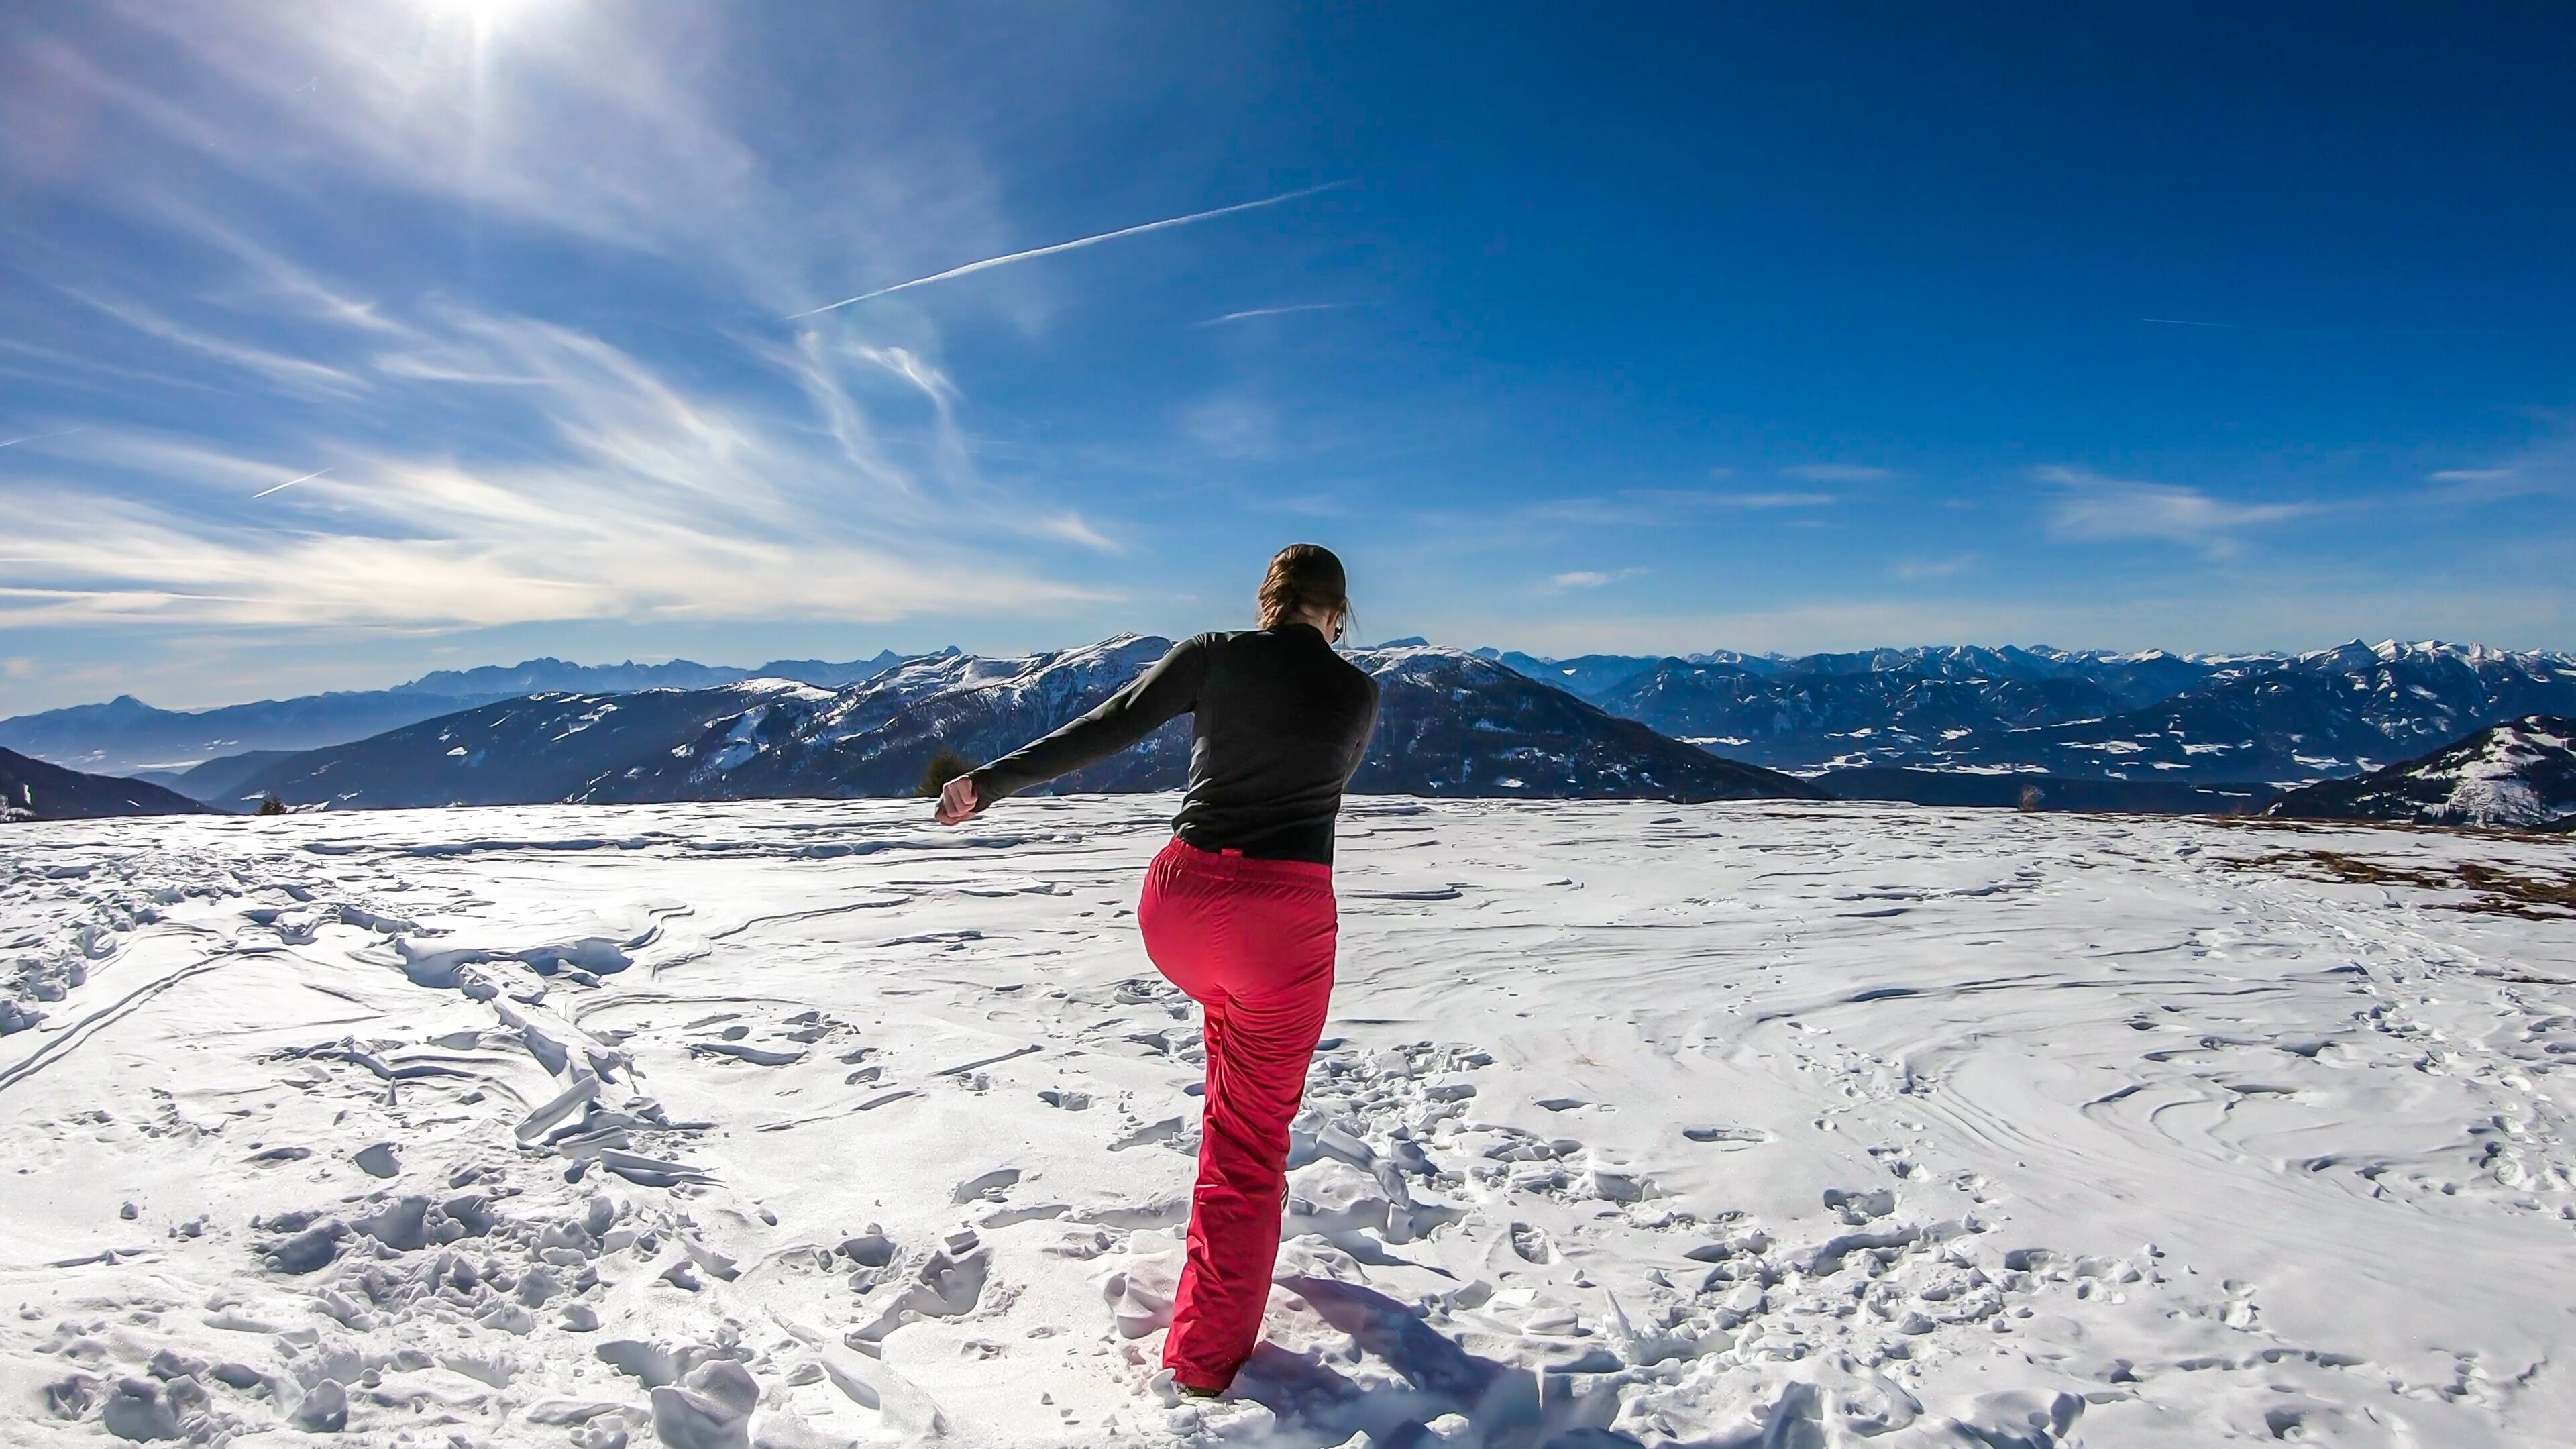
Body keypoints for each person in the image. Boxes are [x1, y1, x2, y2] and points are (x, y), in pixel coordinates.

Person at [934, 543, 1380, 1397]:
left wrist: (985, 784)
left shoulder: (1212, 654)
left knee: (1232, 1041)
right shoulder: (1359, 691)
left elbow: (1102, 729)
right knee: (1250, 1142)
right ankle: (1207, 1363)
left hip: (1181, 907)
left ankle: (1234, 1231)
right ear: (1336, 615)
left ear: (1267, 604)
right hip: (1280, 921)